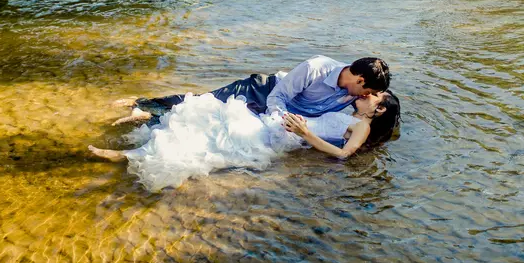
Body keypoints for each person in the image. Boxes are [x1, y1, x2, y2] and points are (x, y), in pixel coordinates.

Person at [88, 91, 401, 191]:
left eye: (373, 96)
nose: (365, 95)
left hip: (282, 138)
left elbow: (344, 154)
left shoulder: (362, 128)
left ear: (380, 109)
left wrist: (307, 134)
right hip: (275, 126)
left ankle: (132, 156)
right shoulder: (346, 108)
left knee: (212, 144)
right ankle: (140, 142)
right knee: (207, 123)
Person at [113, 55, 391, 127]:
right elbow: (276, 98)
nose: (366, 97)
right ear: (359, 80)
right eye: (368, 91)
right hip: (262, 91)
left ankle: (147, 116)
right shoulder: (315, 68)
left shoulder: (353, 96)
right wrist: (283, 121)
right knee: (201, 102)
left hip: (279, 111)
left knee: (209, 120)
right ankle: (143, 103)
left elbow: (378, 108)